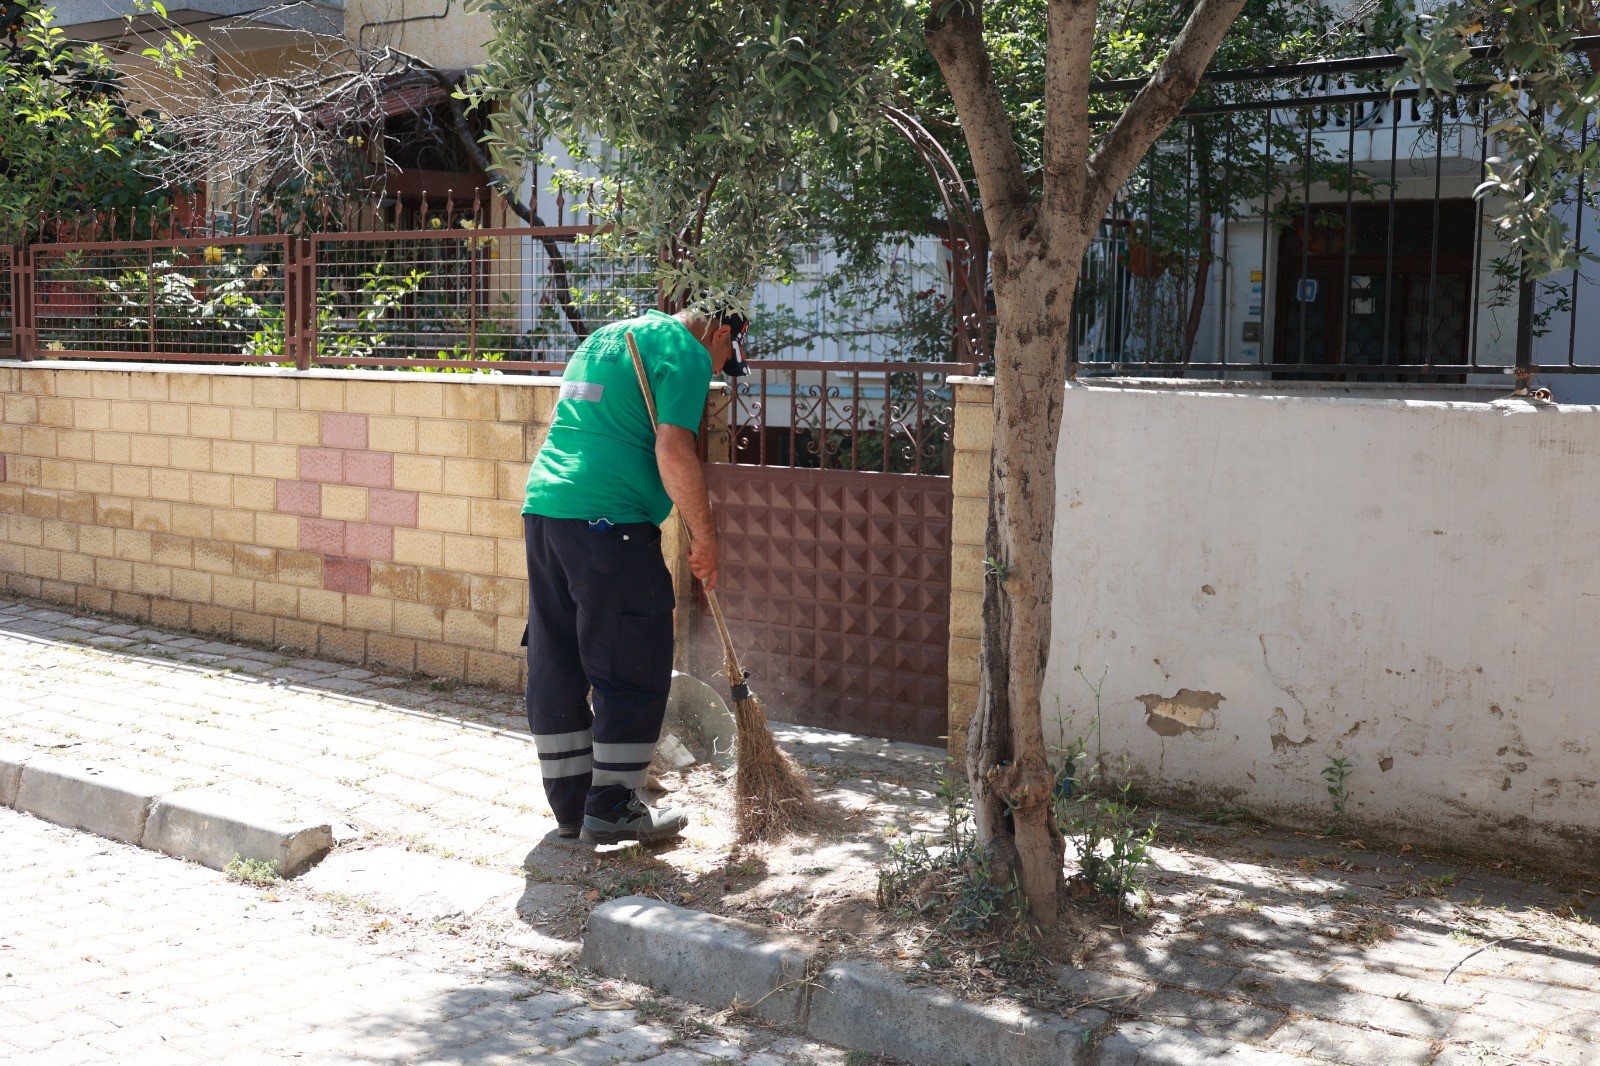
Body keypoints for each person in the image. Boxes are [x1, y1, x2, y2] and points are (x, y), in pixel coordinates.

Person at [522, 304, 748, 845]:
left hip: (546, 513)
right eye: (725, 359)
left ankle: (573, 806)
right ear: (719, 333)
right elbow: (673, 452)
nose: (717, 372)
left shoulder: (603, 339)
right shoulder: (685, 351)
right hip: (610, 524)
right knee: (634, 656)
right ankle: (614, 805)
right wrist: (706, 536)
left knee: (559, 659)